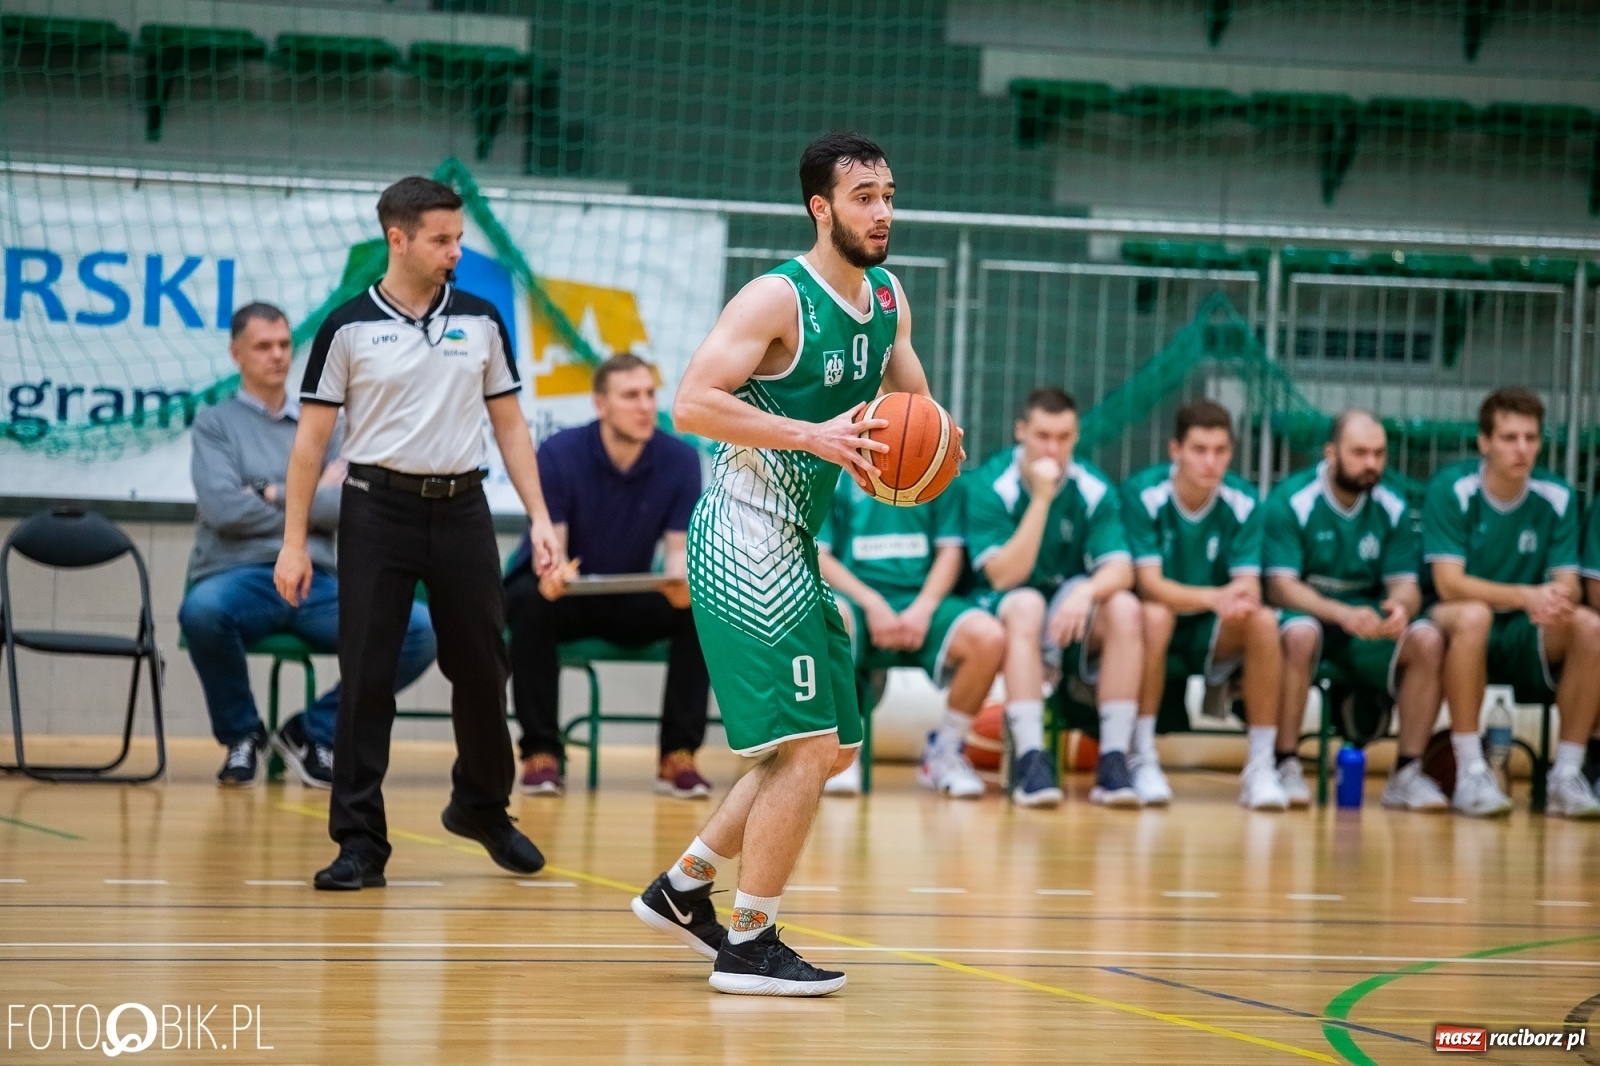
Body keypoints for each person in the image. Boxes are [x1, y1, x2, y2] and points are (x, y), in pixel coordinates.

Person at [630, 132, 941, 997]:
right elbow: (692, 403)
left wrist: (936, 448)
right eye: (864, 198)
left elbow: (914, 408)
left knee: (831, 749)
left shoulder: (886, 297)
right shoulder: (777, 297)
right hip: (742, 535)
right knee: (803, 749)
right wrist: (814, 434)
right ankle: (749, 941)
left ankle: (685, 886)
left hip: (795, 537)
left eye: (888, 194)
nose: (881, 212)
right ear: (821, 208)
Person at [276, 176, 563, 891]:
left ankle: (482, 807)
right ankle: (360, 844)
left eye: (460, 238)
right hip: (376, 510)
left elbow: (509, 426)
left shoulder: (484, 318)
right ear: (397, 239)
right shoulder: (346, 328)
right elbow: (310, 445)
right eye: (441, 239)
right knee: (367, 677)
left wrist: (540, 516)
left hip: (464, 511)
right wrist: (290, 540)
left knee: (483, 668)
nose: (454, 251)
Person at [180, 303, 436, 789]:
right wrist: (309, 494)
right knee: (202, 612)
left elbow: (348, 506)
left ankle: (314, 731)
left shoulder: (328, 425)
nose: (277, 355)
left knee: (417, 630)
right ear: (236, 353)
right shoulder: (215, 422)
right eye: (263, 346)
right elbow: (223, 511)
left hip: (317, 579)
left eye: (283, 345)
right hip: (242, 576)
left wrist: (267, 491)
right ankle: (243, 735)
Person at [504, 353, 711, 798]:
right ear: (601, 405)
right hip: (564, 595)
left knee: (701, 609)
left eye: (650, 394)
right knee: (529, 599)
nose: (644, 406)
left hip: (627, 595)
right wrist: (554, 573)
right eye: (630, 395)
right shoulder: (560, 451)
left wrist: (683, 587)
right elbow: (552, 546)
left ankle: (678, 755)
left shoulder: (680, 459)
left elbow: (678, 554)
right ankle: (542, 753)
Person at [964, 387, 1149, 808]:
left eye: (1064, 438)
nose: (1054, 447)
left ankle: (1115, 760)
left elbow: (1121, 569)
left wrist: (1086, 590)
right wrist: (1043, 499)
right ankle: (1032, 759)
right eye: (1044, 436)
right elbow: (1005, 576)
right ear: (1021, 432)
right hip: (1006, 605)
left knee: (1125, 607)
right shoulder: (992, 485)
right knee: (1027, 604)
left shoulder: (1092, 487)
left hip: (1069, 609)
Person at [1423, 387, 1600, 819]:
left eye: (1531, 438)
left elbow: (1568, 583)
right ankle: (1470, 772)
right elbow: (1448, 584)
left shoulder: (1556, 495)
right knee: (1473, 615)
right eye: (1509, 438)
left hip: (1527, 624)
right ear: (1484, 443)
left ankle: (1567, 775)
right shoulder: (1453, 489)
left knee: (1591, 627)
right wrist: (1525, 595)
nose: (1522, 449)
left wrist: (1557, 600)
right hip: (1455, 618)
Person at [1261, 411, 1450, 812]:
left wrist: (1401, 607)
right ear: (1331, 453)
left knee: (1428, 640)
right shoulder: (1292, 501)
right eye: (1360, 453)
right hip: (1307, 613)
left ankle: (1407, 773)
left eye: (1379, 454)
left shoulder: (1393, 507)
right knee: (1299, 635)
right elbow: (1280, 587)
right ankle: (1284, 763)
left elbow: (1406, 584)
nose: (1372, 464)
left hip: (1365, 624)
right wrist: (1338, 613)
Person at [1121, 400, 1290, 810]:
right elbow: (1149, 585)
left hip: (1211, 627)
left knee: (1264, 620)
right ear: (1175, 450)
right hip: (1155, 625)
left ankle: (1261, 766)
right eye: (1199, 449)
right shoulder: (1143, 494)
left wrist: (1235, 600)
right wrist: (1215, 597)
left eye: (1221, 451)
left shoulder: (1244, 501)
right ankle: (1141, 758)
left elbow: (1247, 588)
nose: (1211, 462)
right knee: (1155, 614)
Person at [817, 469, 1005, 798]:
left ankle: (945, 751)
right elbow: (821, 555)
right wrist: (872, 603)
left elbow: (951, 551)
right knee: (830, 619)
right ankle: (842, 752)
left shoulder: (938, 467)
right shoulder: (839, 465)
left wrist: (924, 607)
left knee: (989, 638)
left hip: (921, 597)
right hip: (857, 596)